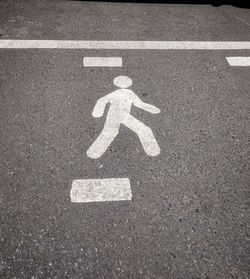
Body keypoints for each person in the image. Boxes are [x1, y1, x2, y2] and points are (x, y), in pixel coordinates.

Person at [87, 75, 160, 159]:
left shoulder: (127, 93)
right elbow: (102, 100)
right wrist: (98, 112)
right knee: (142, 129)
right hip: (117, 115)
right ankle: (94, 152)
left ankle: (94, 152)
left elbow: (102, 100)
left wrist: (152, 109)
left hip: (120, 115)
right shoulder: (120, 93)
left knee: (110, 132)